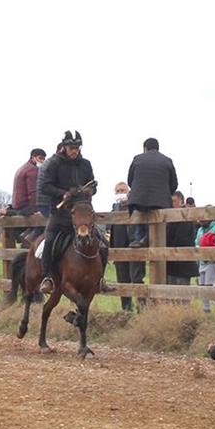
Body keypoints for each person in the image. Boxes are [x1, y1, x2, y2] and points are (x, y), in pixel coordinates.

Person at [38, 130, 116, 294]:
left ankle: (100, 280)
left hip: (83, 215)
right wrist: (62, 193)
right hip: (61, 214)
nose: (74, 150)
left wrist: (89, 191)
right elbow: (45, 186)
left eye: (77, 147)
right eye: (71, 147)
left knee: (102, 243)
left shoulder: (85, 164)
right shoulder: (54, 164)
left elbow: (93, 184)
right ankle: (48, 278)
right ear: (64, 147)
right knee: (50, 240)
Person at [127, 137, 178, 248]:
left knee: (140, 219)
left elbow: (130, 180)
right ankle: (147, 239)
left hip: (138, 200)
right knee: (161, 223)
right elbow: (174, 184)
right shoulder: (167, 161)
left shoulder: (137, 159)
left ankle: (139, 239)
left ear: (145, 148)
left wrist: (138, 191)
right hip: (161, 202)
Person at [109, 182, 145, 311]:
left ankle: (142, 309)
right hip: (118, 250)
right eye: (117, 191)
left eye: (122, 190)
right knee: (122, 282)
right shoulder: (115, 208)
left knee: (137, 280)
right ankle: (126, 309)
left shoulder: (135, 207)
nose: (120, 193)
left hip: (133, 248)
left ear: (128, 192)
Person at [3, 148, 47, 246]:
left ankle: (27, 235)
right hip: (27, 206)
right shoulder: (32, 170)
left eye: (44, 159)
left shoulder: (22, 168)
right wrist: (36, 209)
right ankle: (32, 236)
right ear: (33, 157)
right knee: (47, 217)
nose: (42, 161)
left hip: (18, 205)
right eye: (40, 158)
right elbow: (33, 192)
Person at [166, 190, 199, 288]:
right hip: (172, 262)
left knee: (180, 294)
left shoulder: (185, 218)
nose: (171, 204)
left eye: (174, 201)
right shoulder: (171, 217)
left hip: (182, 263)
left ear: (182, 203)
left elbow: (182, 239)